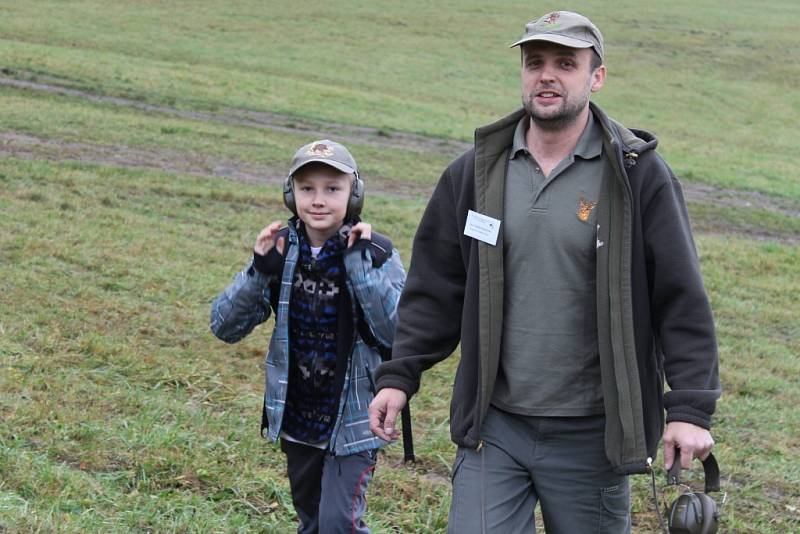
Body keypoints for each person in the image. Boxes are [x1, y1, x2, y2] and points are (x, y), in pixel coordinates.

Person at [369, 10, 720, 533]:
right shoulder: (476, 173)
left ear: (595, 76)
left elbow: (679, 295)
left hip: (592, 436)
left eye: (565, 63)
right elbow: (436, 286)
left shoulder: (636, 176)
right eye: (535, 63)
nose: (546, 75)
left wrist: (689, 408)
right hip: (495, 425)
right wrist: (401, 374)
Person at [210, 139, 405, 534]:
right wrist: (260, 270)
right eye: (307, 188)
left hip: (353, 420)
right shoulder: (282, 251)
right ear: (290, 193)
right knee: (312, 521)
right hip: (298, 418)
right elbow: (224, 326)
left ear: (354, 195)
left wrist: (361, 268)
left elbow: (398, 333)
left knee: (339, 525)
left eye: (332, 189)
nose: (318, 200)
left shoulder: (377, 253)